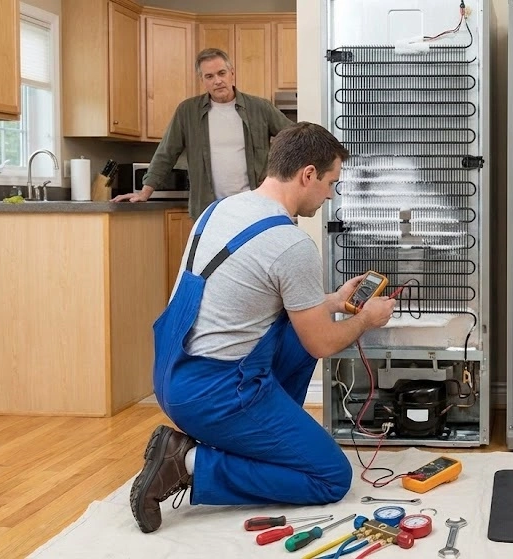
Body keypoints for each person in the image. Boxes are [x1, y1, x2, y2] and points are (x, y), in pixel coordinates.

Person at [129, 122, 397, 534]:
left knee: (299, 332)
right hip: (216, 393)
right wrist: (366, 318)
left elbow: (247, 296)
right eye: (330, 183)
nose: (330, 195)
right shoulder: (291, 244)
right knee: (330, 477)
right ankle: (185, 461)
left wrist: (329, 301)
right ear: (308, 174)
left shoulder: (220, 209)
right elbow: (323, 344)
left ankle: (269, 437)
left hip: (172, 373)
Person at [112, 47, 294, 219]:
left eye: (221, 73)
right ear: (202, 80)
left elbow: (296, 139)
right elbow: (166, 153)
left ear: (232, 73)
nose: (217, 81)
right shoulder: (187, 112)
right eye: (209, 76)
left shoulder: (260, 108)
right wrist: (144, 192)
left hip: (255, 208)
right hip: (208, 211)